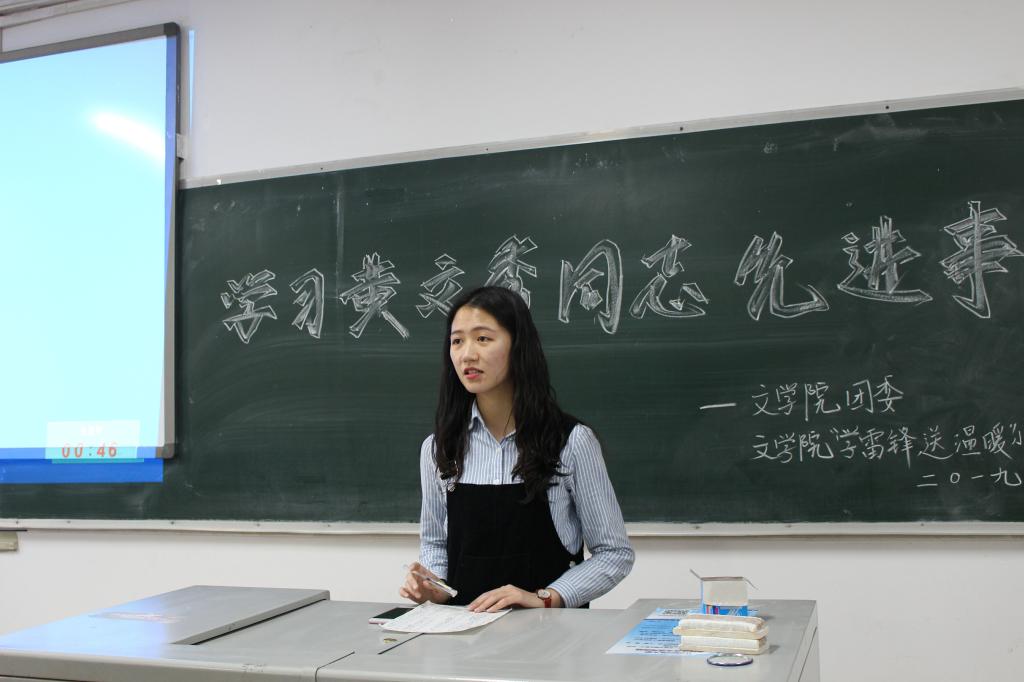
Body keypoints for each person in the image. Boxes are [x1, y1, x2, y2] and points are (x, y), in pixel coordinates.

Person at [400, 285, 634, 612]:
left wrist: (545, 597)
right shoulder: (439, 448)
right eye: (457, 341)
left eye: (483, 338)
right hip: (465, 635)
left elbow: (614, 554)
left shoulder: (570, 442)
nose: (467, 354)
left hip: (551, 637)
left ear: (518, 345)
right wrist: (434, 587)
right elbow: (436, 544)